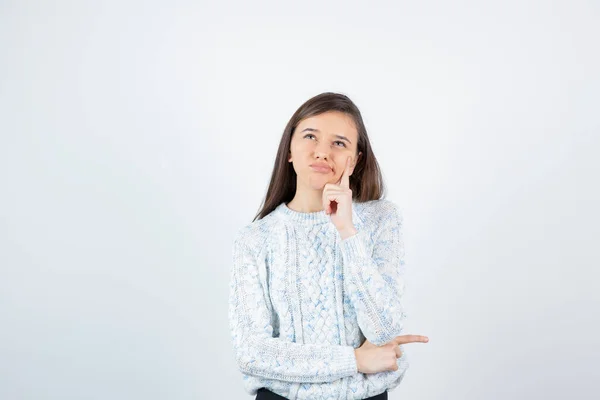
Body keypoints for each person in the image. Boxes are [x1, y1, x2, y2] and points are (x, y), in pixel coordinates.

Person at [228, 92, 429, 400]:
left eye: (339, 143)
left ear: (356, 158)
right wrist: (354, 361)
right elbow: (252, 352)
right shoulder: (255, 239)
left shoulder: (380, 220)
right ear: (290, 150)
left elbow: (383, 330)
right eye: (310, 136)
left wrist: (347, 230)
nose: (322, 153)